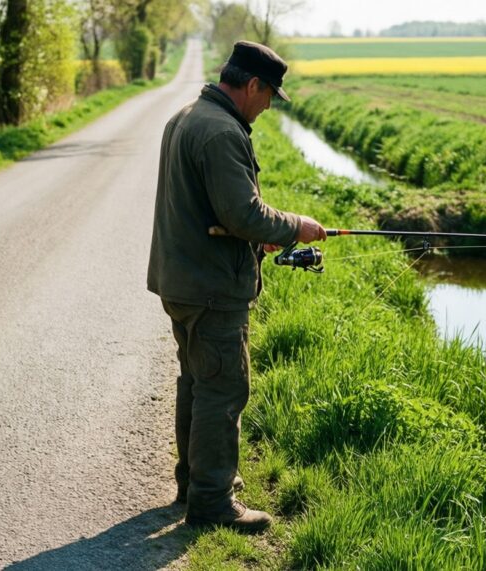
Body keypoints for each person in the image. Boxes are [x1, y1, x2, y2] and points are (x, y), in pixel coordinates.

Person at [146, 40, 327, 533]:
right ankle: (211, 501)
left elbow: (216, 212)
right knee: (224, 387)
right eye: (269, 95)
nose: (269, 106)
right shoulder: (223, 131)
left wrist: (251, 238)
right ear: (252, 85)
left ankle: (196, 477)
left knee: (196, 380)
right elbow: (243, 212)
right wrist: (296, 227)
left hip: (181, 278)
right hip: (210, 287)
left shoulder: (187, 115)